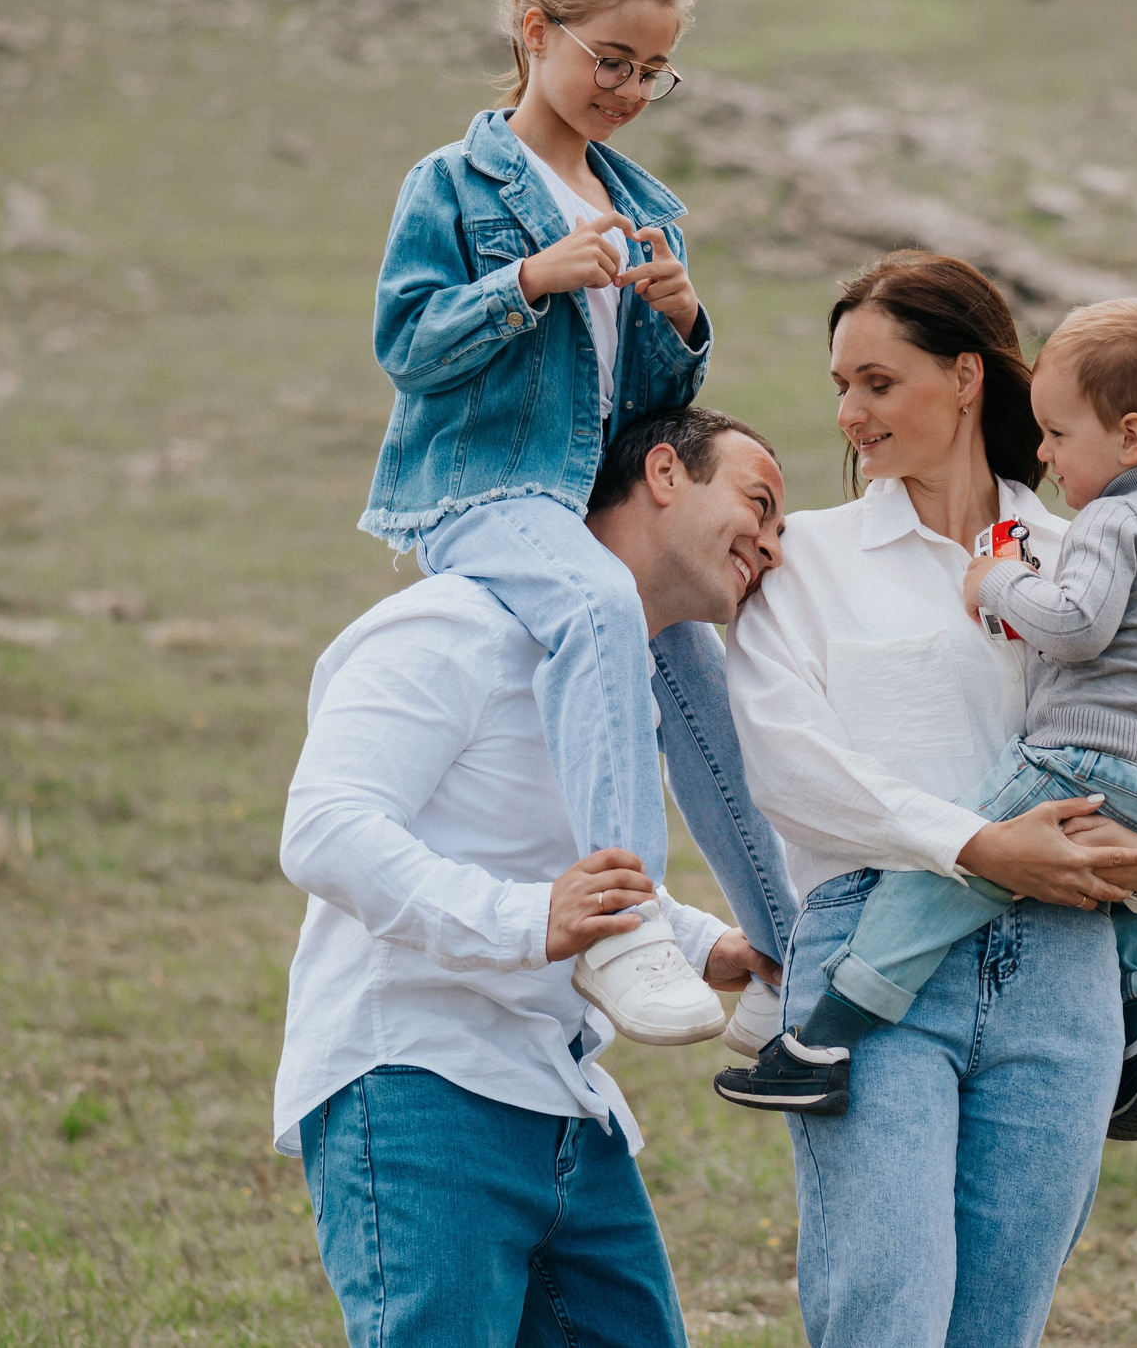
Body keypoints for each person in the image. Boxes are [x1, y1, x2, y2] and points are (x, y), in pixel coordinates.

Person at [713, 253, 1137, 1345]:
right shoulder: (806, 559)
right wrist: (978, 843)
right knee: (887, 1313)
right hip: (877, 958)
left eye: (877, 381)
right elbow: (787, 761)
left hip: (1064, 974)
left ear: (966, 376)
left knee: (996, 1324)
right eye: (840, 386)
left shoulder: (1086, 550)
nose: (848, 413)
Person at [277, 407, 790, 1347]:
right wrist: (527, 923)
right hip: (418, 1086)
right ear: (665, 472)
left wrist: (705, 944)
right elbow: (326, 827)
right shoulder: (453, 623)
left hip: (565, 1103)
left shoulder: (619, 676)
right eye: (759, 502)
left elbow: (567, 871)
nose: (772, 542)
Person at [359, 0, 736, 1043]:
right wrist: (524, 279)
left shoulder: (650, 205)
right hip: (484, 494)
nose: (628, 87)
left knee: (706, 667)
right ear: (536, 32)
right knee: (595, 600)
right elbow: (406, 345)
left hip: (590, 507)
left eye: (652, 70)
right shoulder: (454, 184)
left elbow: (648, 408)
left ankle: (786, 954)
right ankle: (622, 927)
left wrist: (683, 321)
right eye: (609, 60)